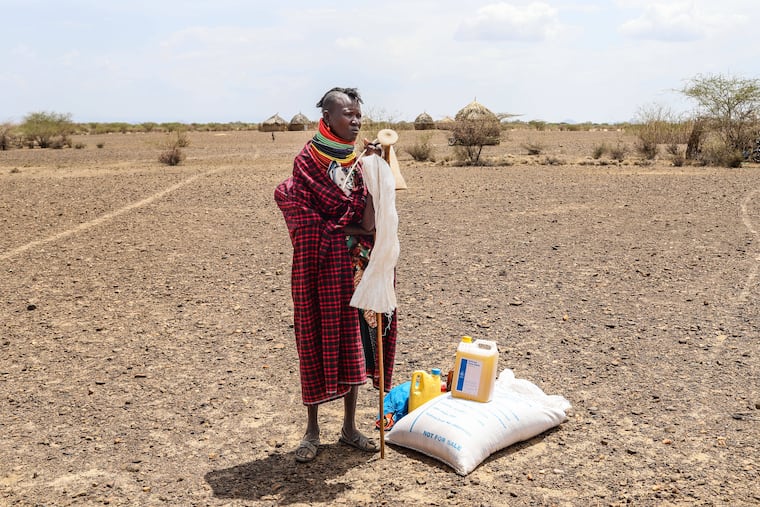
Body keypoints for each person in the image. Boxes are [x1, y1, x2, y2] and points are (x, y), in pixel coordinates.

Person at [274, 87, 397, 463]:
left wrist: (378, 170)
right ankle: (312, 430)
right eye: (347, 114)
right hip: (320, 267)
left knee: (356, 341)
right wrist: (340, 231)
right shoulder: (307, 162)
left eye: (359, 114)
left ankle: (348, 428)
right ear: (326, 118)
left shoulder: (360, 162)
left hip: (358, 268)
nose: (356, 120)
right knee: (315, 336)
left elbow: (369, 218)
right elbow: (297, 208)